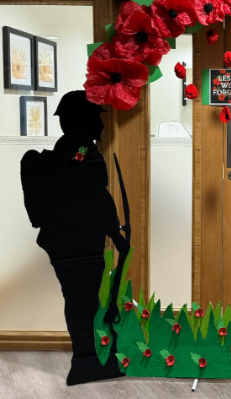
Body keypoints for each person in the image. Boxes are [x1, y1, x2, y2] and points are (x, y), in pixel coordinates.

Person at [20, 91, 128, 385]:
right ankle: (86, 360)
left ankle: (88, 357)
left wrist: (113, 232)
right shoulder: (79, 152)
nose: (103, 127)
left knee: (82, 299)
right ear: (82, 120)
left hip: (68, 239)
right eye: (97, 119)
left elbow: (95, 197)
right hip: (75, 240)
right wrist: (115, 233)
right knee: (82, 300)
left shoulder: (76, 151)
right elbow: (94, 196)